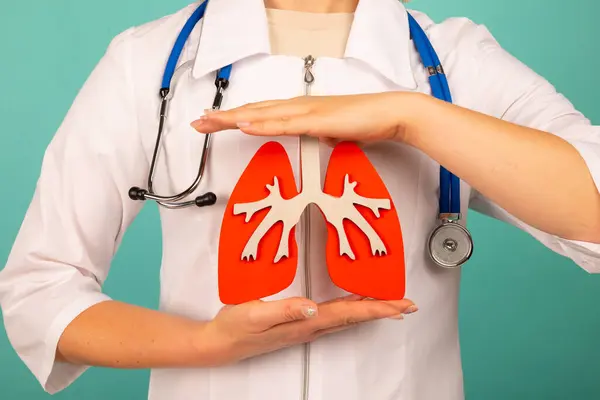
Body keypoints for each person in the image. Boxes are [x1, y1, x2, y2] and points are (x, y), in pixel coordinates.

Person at [0, 0, 599, 399]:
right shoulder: (150, 62)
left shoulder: (455, 64)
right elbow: (38, 290)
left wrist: (411, 118)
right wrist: (207, 345)